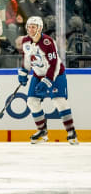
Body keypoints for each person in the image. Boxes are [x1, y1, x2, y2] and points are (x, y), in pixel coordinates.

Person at [18, 16, 79, 145]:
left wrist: (47, 81)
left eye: (33, 27)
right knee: (32, 101)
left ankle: (71, 131)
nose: (30, 29)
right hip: (38, 74)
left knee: (59, 101)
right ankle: (42, 130)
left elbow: (55, 64)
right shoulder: (25, 41)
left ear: (40, 28)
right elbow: (27, 59)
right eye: (28, 26)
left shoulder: (47, 42)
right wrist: (23, 73)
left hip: (56, 74)